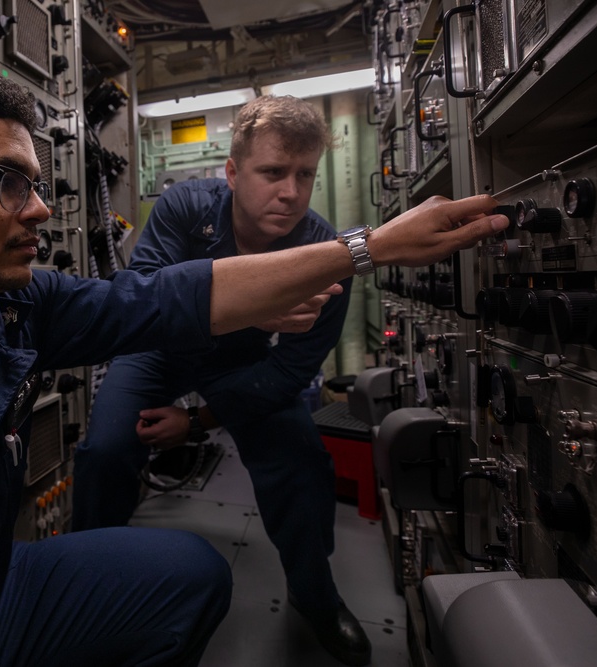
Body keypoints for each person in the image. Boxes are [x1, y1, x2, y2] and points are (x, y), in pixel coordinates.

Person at [0, 60, 507, 667]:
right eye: (3, 180)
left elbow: (155, 303)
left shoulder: (9, 308)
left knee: (190, 572)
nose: (38, 207)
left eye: (36, 183)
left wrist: (367, 247)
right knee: (107, 448)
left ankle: (318, 601)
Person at [71, 94, 374, 665]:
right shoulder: (186, 206)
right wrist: (242, 307)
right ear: (232, 173)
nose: (290, 191)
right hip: (160, 348)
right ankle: (87, 579)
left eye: (304, 174)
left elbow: (292, 369)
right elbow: (139, 298)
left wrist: (197, 420)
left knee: (302, 462)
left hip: (242, 361)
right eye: (272, 172)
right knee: (106, 450)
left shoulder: (322, 249)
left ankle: (314, 593)